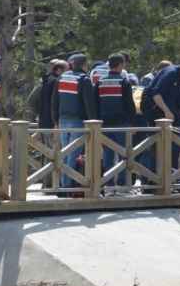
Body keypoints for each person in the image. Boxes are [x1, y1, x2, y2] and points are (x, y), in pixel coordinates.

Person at [51, 53, 96, 191]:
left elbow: (54, 100)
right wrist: (92, 121)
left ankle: (62, 185)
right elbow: (89, 103)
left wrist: (55, 119)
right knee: (73, 154)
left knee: (65, 153)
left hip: (63, 119)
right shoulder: (84, 80)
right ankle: (68, 186)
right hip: (78, 120)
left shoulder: (62, 77)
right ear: (84, 65)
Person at [95, 53, 136, 194]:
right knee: (124, 154)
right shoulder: (124, 82)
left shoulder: (100, 81)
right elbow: (129, 104)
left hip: (104, 123)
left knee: (107, 154)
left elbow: (96, 103)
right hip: (121, 123)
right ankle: (123, 185)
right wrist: (132, 122)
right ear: (120, 65)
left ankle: (109, 184)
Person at [35, 59, 69, 130]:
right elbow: (55, 102)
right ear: (59, 70)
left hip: (43, 118)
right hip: (52, 121)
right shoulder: (56, 81)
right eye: (67, 70)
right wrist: (56, 121)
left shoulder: (46, 80)